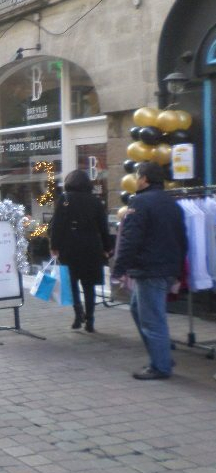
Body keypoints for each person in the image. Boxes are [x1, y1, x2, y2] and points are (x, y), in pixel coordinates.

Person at [113, 162, 187, 380]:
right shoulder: (171, 203)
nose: (135, 180)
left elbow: (131, 239)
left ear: (144, 179)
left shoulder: (140, 202)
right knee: (138, 309)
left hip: (150, 269)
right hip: (165, 266)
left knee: (152, 319)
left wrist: (118, 269)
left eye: (137, 176)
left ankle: (161, 366)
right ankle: (161, 355)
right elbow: (183, 237)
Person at [48, 170, 111, 332]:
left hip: (70, 246)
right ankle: (90, 320)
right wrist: (106, 248)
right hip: (92, 246)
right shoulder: (96, 201)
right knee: (89, 285)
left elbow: (57, 225)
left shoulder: (65, 199)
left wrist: (54, 246)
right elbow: (103, 227)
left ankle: (78, 314)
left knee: (73, 282)